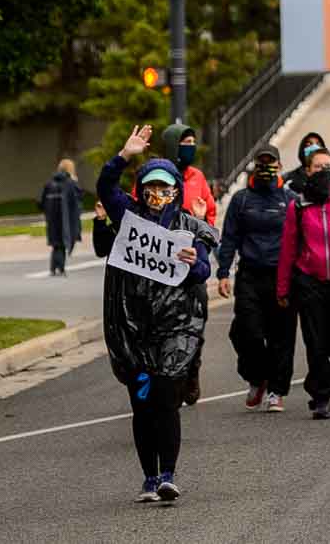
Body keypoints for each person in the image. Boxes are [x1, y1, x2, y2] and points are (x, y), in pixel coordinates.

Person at [99, 125, 216, 502]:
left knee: (167, 398)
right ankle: (149, 476)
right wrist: (124, 155)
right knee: (143, 404)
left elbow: (202, 272)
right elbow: (104, 189)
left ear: (175, 191)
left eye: (165, 188)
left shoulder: (187, 226)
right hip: (133, 326)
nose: (157, 195)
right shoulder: (128, 216)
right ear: (141, 189)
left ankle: (168, 473)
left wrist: (194, 261)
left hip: (174, 324)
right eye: (150, 186)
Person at [275, 145, 330, 419]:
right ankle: (321, 395)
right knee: (316, 342)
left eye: (328, 167)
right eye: (317, 167)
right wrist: (283, 287)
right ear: (307, 171)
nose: (323, 172)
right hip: (310, 281)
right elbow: (288, 248)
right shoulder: (298, 206)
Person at [216, 148, 295, 412]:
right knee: (245, 332)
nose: (264, 167)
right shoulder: (241, 199)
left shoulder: (291, 199)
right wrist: (223, 273)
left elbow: (300, 240)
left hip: (281, 276)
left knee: (280, 335)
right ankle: (257, 377)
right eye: (260, 162)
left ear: (279, 165)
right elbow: (229, 238)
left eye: (269, 162)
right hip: (249, 274)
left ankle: (276, 390)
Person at [160, 124, 218, 227]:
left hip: (191, 240)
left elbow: (210, 212)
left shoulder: (197, 176)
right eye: (187, 142)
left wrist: (202, 223)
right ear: (174, 145)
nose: (192, 146)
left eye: (193, 142)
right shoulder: (154, 174)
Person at [39, 158, 83, 276]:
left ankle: (54, 268)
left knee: (56, 244)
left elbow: (42, 203)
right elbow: (77, 202)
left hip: (52, 219)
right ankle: (60, 268)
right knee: (63, 243)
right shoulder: (71, 184)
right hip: (66, 219)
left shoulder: (49, 184)